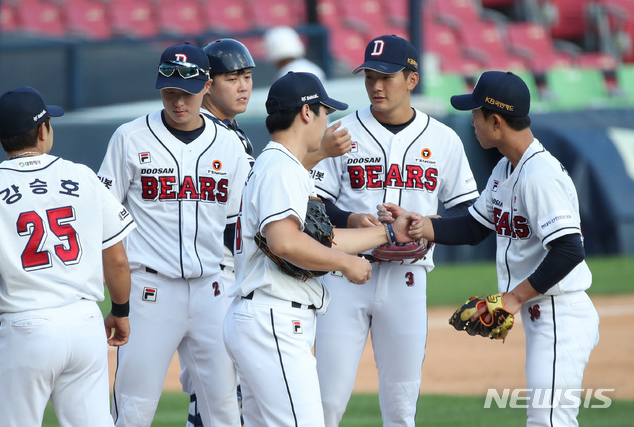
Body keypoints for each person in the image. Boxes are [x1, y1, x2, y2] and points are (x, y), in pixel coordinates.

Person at [379, 70, 600, 426]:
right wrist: (419, 225)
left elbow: (569, 250)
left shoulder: (539, 175)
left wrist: (512, 298)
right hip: (543, 312)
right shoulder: (505, 168)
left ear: (495, 121)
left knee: (550, 421)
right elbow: (472, 226)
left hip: (561, 313)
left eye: (476, 114)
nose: (472, 122)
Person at [0, 86, 136, 426]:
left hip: (28, 330)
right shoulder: (83, 176)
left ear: (4, 138)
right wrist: (120, 310)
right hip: (86, 326)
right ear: (42, 130)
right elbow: (117, 259)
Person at [222, 71, 416, 426]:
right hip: (273, 319)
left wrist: (388, 233)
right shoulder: (281, 168)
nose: (328, 121)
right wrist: (345, 264)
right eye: (325, 112)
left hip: (266, 317)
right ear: (306, 113)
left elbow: (316, 240)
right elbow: (285, 242)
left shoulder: (283, 166)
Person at [180, 37, 354, 427]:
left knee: (231, 407)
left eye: (246, 76)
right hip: (216, 279)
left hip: (235, 280)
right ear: (208, 84)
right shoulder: (204, 137)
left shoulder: (237, 137)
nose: (243, 85)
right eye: (231, 77)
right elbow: (277, 227)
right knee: (214, 406)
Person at [310, 34, 480, 426]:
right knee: (325, 403)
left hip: (408, 279)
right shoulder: (340, 132)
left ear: (412, 80)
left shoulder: (443, 139)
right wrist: (352, 219)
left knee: (402, 409)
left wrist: (423, 227)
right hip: (345, 275)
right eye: (370, 75)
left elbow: (469, 215)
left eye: (387, 76)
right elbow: (314, 202)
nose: (376, 85)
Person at [97, 42, 251, 426]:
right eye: (169, 91)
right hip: (150, 291)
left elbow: (236, 226)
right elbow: (102, 217)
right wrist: (117, 301)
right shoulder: (130, 138)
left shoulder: (229, 145)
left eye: (187, 92)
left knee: (225, 413)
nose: (178, 101)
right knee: (133, 410)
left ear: (206, 85)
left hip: (212, 291)